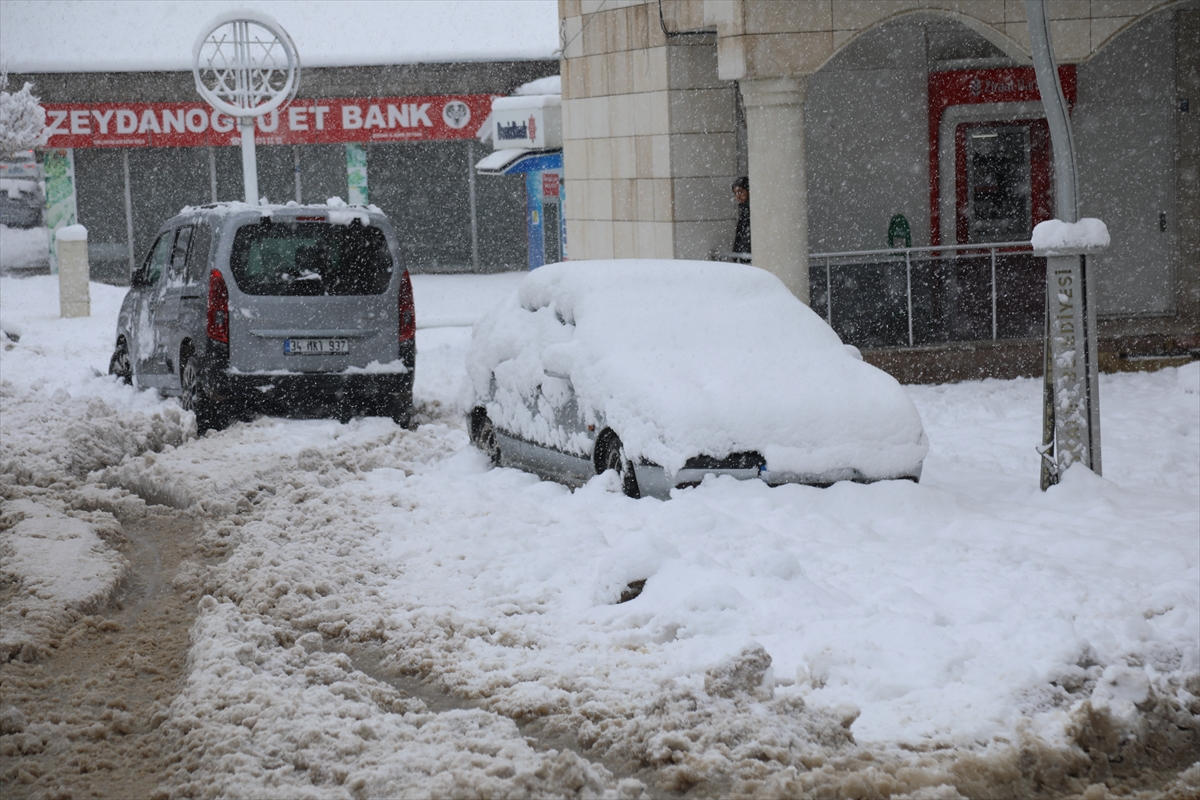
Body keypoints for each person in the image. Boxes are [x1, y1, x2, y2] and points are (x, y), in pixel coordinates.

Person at [731, 176, 750, 255]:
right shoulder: (743, 210)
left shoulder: (749, 210)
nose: (737, 196)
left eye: (740, 192)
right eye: (735, 193)